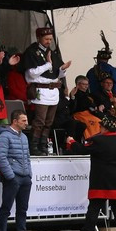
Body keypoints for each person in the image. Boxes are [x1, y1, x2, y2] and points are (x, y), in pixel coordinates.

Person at [69, 115, 116, 231]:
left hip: (100, 180)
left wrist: (71, 142)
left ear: (104, 127)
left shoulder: (98, 140)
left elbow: (82, 149)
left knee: (94, 208)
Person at [22, 27, 71, 155]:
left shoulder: (52, 53)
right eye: (46, 39)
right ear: (39, 38)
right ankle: (34, 147)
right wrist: (47, 65)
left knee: (49, 122)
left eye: (50, 39)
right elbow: (31, 73)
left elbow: (56, 74)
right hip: (40, 91)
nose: (49, 41)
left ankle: (43, 145)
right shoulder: (31, 52)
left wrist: (62, 69)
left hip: (53, 91)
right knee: (40, 121)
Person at [0, 110, 39, 231]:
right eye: (23, 121)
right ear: (15, 121)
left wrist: (29, 174)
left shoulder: (24, 137)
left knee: (22, 208)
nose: (26, 123)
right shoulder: (4, 136)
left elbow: (27, 157)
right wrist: (10, 176)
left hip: (25, 177)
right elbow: (1, 157)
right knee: (6, 208)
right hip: (13, 177)